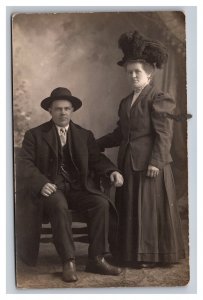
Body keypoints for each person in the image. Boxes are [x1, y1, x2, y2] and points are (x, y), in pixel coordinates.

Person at [16, 87, 124, 282]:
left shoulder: (84, 135)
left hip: (77, 188)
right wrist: (41, 183)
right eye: (58, 109)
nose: (63, 112)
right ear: (50, 110)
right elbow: (24, 163)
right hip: (51, 188)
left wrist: (112, 171)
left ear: (72, 110)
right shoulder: (35, 135)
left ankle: (97, 258)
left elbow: (96, 159)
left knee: (100, 203)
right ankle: (68, 261)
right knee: (58, 204)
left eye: (67, 108)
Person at [96, 31, 185, 267]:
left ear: (149, 72)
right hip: (128, 163)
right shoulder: (126, 101)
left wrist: (156, 161)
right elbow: (121, 133)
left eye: (138, 71)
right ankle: (130, 254)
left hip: (150, 164)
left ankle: (150, 256)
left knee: (147, 210)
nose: (133, 75)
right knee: (131, 209)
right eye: (129, 72)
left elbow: (164, 134)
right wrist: (97, 143)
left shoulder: (158, 97)